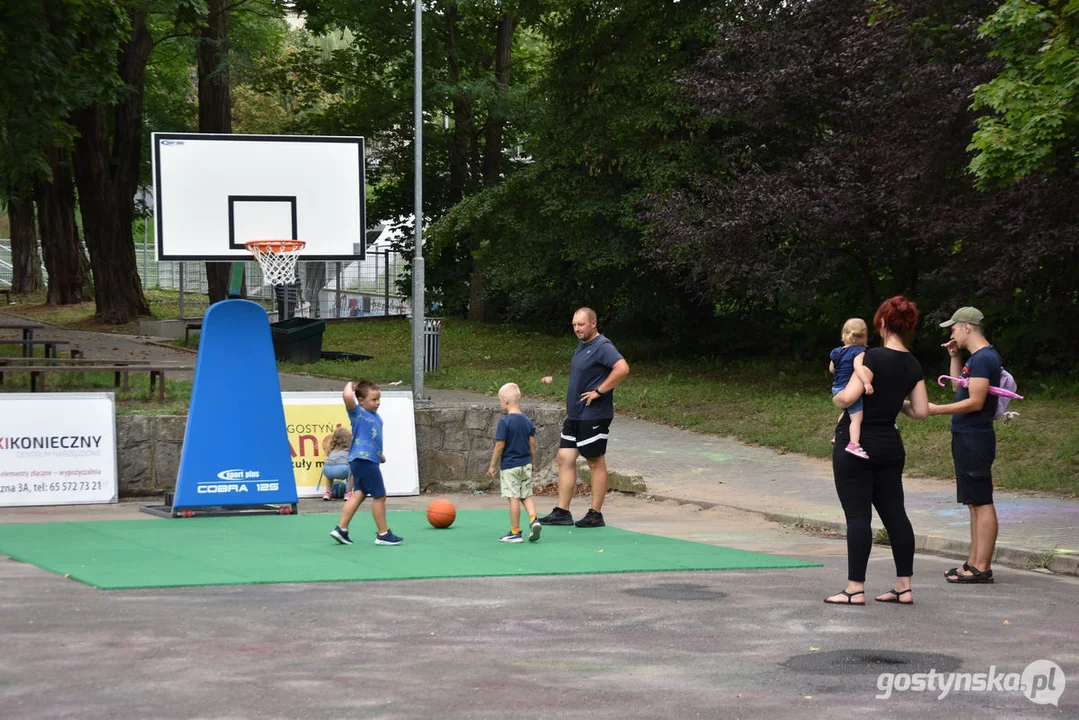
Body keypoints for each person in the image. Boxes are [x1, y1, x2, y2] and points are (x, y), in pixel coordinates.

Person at [826, 296, 928, 606]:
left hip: (857, 445)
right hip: (890, 445)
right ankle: (904, 586)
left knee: (858, 516)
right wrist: (894, 400)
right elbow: (920, 411)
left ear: (881, 323)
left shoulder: (870, 357)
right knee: (896, 514)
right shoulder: (913, 363)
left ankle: (855, 588)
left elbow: (847, 398)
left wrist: (837, 399)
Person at [538, 307, 630, 528]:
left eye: (581, 324)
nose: (577, 329)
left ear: (593, 324)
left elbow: (623, 368)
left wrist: (599, 391)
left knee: (594, 461)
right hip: (576, 414)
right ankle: (562, 511)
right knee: (565, 458)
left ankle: (595, 514)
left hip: (594, 415)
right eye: (574, 325)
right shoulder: (583, 344)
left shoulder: (603, 346)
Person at [928, 307, 1001, 584]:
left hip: (975, 437)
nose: (952, 334)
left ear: (967, 327)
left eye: (954, 329)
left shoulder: (984, 359)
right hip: (967, 435)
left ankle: (982, 566)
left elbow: (975, 401)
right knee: (973, 502)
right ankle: (972, 563)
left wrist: (936, 410)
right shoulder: (976, 359)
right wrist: (955, 356)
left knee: (981, 501)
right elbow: (960, 387)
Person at [329, 380, 403, 546]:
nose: (378, 402)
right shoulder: (358, 413)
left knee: (359, 494)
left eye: (379, 399)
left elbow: (372, 438)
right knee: (379, 496)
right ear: (361, 400)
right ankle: (383, 534)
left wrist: (379, 455)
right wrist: (350, 385)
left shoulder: (375, 417)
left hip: (365, 459)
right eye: (373, 399)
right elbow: (347, 396)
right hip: (364, 460)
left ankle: (341, 529)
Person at [486, 382, 542, 543]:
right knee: (526, 495)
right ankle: (534, 519)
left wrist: (492, 465)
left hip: (510, 466)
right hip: (526, 465)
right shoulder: (526, 421)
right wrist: (534, 463)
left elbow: (499, 445)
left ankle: (515, 532)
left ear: (504, 400)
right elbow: (532, 445)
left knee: (513, 498)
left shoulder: (505, 422)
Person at [829, 318, 870, 459]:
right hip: (848, 388)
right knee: (857, 418)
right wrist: (866, 383)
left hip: (836, 387)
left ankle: (837, 434)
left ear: (843, 335)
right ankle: (854, 444)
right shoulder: (859, 351)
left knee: (846, 412)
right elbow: (858, 368)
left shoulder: (836, 351)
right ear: (864, 336)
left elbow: (831, 369)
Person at [321, 427, 353, 501]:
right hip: (341, 470)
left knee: (329, 474)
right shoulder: (349, 450)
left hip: (326, 469)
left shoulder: (331, 450)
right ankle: (348, 493)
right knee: (352, 473)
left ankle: (328, 492)